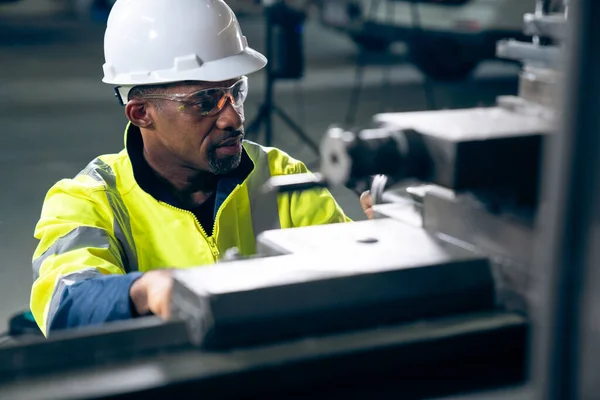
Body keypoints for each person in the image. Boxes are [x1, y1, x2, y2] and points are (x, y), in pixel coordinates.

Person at [29, 0, 355, 336]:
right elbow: (65, 303)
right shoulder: (89, 200)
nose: (234, 118)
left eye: (236, 92)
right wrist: (146, 290)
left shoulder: (281, 175)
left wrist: (384, 244)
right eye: (205, 101)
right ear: (141, 113)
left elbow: (351, 273)